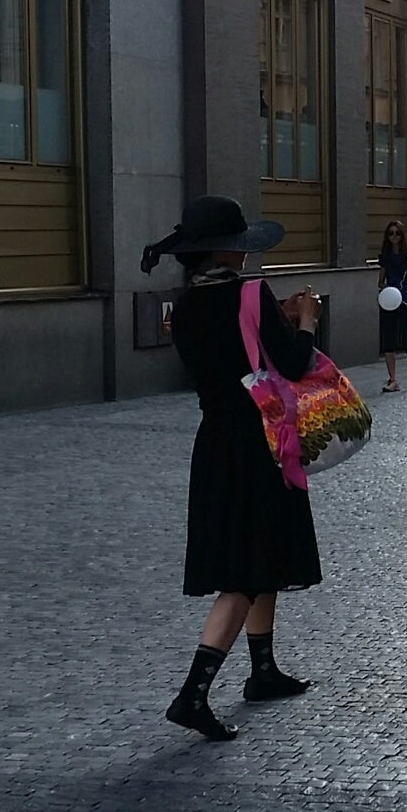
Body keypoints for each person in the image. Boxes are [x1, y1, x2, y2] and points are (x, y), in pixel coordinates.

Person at [141, 196, 322, 741]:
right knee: (243, 574)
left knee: (258, 553)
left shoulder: (187, 305)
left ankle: (262, 671)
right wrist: (306, 322)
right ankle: (193, 694)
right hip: (259, 441)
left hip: (216, 440)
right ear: (225, 249)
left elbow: (227, 357)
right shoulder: (247, 293)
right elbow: (294, 361)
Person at [377, 220, 407, 392]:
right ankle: (393, 380)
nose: (394, 236)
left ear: (402, 234)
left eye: (397, 233)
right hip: (390, 303)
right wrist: (387, 290)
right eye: (391, 233)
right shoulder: (386, 254)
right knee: (388, 341)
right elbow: (380, 281)